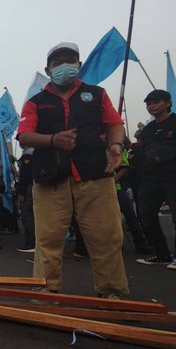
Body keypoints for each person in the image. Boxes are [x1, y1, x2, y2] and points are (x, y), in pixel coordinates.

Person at [17, 42, 129, 298]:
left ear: (78, 65)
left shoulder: (96, 94)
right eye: (58, 63)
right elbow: (24, 136)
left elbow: (115, 124)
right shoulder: (37, 102)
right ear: (48, 69)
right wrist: (52, 140)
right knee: (48, 241)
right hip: (51, 180)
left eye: (70, 61)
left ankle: (113, 293)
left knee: (107, 238)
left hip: (95, 176)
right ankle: (46, 291)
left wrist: (115, 145)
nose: (65, 66)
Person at [135, 89, 176, 269]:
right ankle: (161, 254)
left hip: (172, 175)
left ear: (167, 103)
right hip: (151, 178)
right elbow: (142, 153)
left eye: (155, 102)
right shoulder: (148, 130)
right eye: (148, 103)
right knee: (146, 215)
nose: (151, 106)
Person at [16, 147, 36, 253]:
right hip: (39, 189)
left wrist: (21, 192)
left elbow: (25, 175)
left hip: (30, 189)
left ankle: (31, 243)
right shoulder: (39, 150)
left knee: (27, 215)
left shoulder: (28, 154)